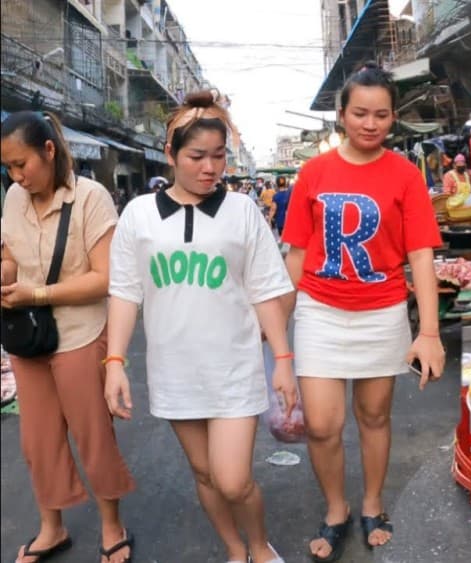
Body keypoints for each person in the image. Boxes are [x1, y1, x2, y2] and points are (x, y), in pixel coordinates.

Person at [103, 91, 295, 563]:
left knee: (233, 478)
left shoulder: (243, 212)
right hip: (175, 369)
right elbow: (125, 292)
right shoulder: (138, 215)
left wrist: (284, 361)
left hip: (233, 367)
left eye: (218, 156)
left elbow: (266, 289)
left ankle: (259, 545)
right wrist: (114, 361)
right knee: (204, 474)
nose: (210, 168)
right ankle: (234, 549)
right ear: (170, 155)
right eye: (196, 157)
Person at [281, 62, 445, 561]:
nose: (369, 124)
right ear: (341, 113)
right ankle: (336, 508)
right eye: (359, 113)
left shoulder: (404, 175)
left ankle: (372, 502)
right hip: (319, 313)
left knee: (374, 417)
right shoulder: (313, 173)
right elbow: (296, 256)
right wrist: (277, 339)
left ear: (393, 117)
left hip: (383, 313)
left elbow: (420, 256)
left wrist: (430, 333)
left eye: (380, 115)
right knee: (322, 425)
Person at [1, 111, 135, 563]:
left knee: (92, 432)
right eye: (8, 169)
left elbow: (106, 278)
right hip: (28, 335)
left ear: (49, 151)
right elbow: (9, 257)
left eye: (22, 165)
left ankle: (112, 525)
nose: (17, 177)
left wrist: (35, 292)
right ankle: (51, 528)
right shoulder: (14, 200)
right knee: (38, 439)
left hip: (80, 333)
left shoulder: (92, 198)